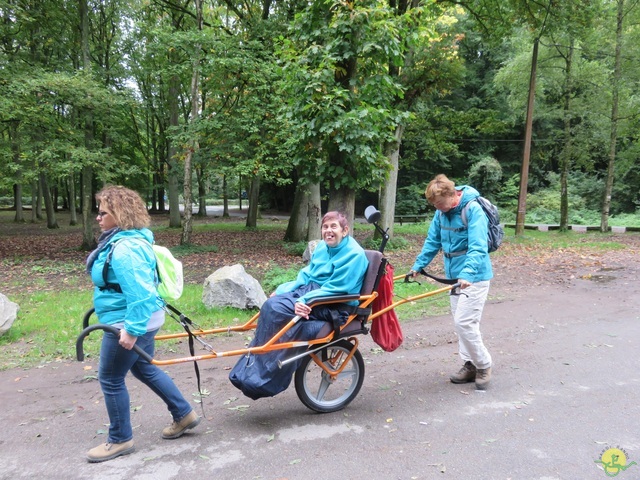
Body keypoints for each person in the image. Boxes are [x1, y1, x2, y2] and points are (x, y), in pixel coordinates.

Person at [85, 186, 200, 463]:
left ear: (119, 214)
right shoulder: (129, 240)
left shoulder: (126, 249)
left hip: (129, 322)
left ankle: (120, 439)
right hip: (141, 318)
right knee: (143, 368)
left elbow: (141, 293)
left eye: (103, 213)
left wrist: (131, 330)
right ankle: (184, 414)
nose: (98, 218)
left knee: (111, 379)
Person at [229, 210, 369, 399]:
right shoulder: (322, 248)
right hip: (315, 293)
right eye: (325, 227)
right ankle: (252, 369)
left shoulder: (354, 255)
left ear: (345, 231)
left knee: (275, 309)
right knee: (271, 305)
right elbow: (307, 274)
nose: (328, 231)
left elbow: (339, 289)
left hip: (334, 303)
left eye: (333, 227)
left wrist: (306, 300)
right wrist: (283, 289)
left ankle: (264, 378)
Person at [409, 174, 494, 390]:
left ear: (452, 195)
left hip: (475, 276)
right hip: (455, 277)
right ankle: (470, 365)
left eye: (439, 203)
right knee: (461, 322)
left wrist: (467, 274)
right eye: (434, 205)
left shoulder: (472, 210)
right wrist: (418, 265)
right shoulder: (440, 213)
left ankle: (484, 365)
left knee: (464, 322)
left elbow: (478, 246)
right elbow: (432, 241)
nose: (437, 208)